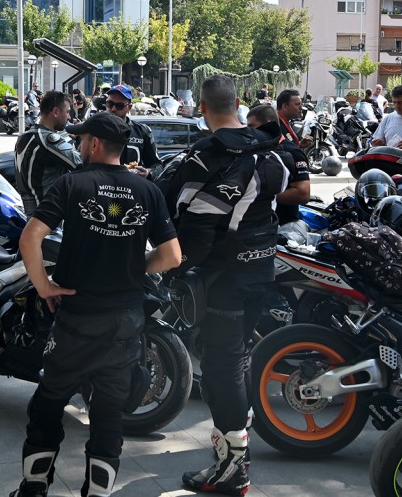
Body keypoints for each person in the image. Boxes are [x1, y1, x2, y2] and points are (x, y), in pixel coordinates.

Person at [9, 112, 182, 497]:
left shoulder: (72, 183)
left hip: (77, 319)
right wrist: (136, 267)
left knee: (49, 401)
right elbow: (172, 255)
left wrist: (44, 287)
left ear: (95, 144)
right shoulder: (148, 191)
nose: (78, 144)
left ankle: (34, 489)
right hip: (125, 323)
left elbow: (29, 238)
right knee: (108, 413)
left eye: (81, 139)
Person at [165, 74, 287, 495]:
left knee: (222, 369)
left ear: (202, 108)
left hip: (223, 278)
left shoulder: (207, 155)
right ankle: (233, 455)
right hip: (262, 270)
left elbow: (194, 226)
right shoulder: (269, 149)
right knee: (233, 361)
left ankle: (235, 468)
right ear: (238, 104)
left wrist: (172, 269)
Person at [246, 104, 311, 242]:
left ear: (268, 125)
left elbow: (303, 194)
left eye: (252, 127)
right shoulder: (256, 149)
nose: (249, 132)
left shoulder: (292, 152)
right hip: (258, 225)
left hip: (283, 227)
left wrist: (258, 194)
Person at [14, 90, 81, 214]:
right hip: (48, 214)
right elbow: (80, 163)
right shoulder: (46, 139)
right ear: (55, 112)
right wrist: (85, 141)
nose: (69, 117)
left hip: (33, 211)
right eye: (67, 112)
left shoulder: (27, 135)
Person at [102, 85, 160, 176]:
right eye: (109, 104)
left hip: (131, 183)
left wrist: (148, 172)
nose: (113, 109)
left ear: (129, 107)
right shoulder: (94, 129)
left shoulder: (142, 131)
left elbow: (157, 165)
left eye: (119, 106)